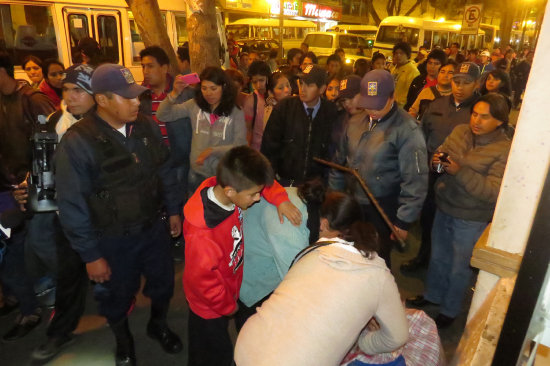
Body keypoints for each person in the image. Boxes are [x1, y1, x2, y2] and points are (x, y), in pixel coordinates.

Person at [55, 64, 183, 366]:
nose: (136, 102)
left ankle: (158, 324)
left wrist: (174, 210)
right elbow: (72, 204)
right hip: (112, 239)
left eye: (137, 95)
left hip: (153, 229)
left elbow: (164, 170)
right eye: (127, 98)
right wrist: (90, 255)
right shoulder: (78, 142)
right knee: (115, 296)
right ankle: (124, 342)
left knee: (163, 284)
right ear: (102, 100)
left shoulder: (146, 126)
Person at [234, 192, 409, 366]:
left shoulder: (311, 251)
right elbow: (398, 337)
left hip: (247, 344)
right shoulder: (380, 275)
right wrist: (362, 343)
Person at [183, 145, 301, 366]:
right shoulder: (203, 236)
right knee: (214, 351)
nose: (257, 199)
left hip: (228, 287)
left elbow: (263, 183)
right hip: (210, 306)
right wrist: (229, 306)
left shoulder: (230, 187)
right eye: (252, 195)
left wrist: (280, 199)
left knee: (206, 344)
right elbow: (202, 283)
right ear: (230, 191)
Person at [11, 64, 94, 363]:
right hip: (67, 215)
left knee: (113, 277)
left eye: (78, 91)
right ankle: (61, 330)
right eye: (66, 90)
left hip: (102, 214)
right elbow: (41, 164)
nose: (70, 97)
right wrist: (27, 187)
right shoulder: (55, 122)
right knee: (69, 273)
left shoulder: (107, 124)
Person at [407, 93, 513, 328]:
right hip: (445, 205)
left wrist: (459, 171)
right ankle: (432, 295)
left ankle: (450, 309)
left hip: (471, 217)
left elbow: (493, 191)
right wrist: (436, 162)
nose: (476, 120)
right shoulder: (460, 131)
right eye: (475, 114)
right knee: (438, 257)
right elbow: (440, 157)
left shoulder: (503, 149)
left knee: (460, 267)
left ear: (499, 120)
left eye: (484, 117)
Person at [330, 70, 428, 267]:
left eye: (378, 105)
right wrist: (334, 199)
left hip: (383, 207)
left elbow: (416, 180)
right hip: (353, 202)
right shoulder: (356, 121)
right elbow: (340, 162)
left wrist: (403, 221)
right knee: (350, 254)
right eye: (368, 105)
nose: (372, 111)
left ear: (392, 96)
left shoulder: (407, 130)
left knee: (377, 259)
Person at [401, 62, 480, 272]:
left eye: (466, 82)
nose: (460, 87)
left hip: (460, 179)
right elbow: (421, 136)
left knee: (450, 229)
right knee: (428, 219)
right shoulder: (437, 105)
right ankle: (423, 258)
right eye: (457, 81)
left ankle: (445, 268)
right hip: (432, 173)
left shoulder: (480, 110)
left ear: (476, 84)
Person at [0, 51, 55, 343]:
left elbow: (49, 143)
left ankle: (31, 307)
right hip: (6, 184)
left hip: (25, 188)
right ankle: (15, 299)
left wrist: (31, 181)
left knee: (14, 249)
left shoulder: (32, 100)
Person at [157, 66, 247, 193]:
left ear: (224, 87)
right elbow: (162, 115)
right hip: (197, 174)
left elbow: (241, 146)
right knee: (195, 211)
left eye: (213, 88)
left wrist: (213, 151)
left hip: (223, 176)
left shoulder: (235, 111)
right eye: (204, 88)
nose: (208, 93)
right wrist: (174, 94)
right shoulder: (194, 105)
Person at [261, 65, 338, 187]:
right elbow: (269, 147)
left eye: (310, 85)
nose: (303, 89)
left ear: (322, 89)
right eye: (301, 83)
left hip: (316, 185)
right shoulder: (284, 108)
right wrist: (271, 179)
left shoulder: (331, 112)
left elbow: (333, 152)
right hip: (285, 181)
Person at [243, 61, 271, 149]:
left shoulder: (277, 96)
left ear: (268, 78)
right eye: (255, 82)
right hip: (257, 150)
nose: (258, 85)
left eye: (261, 80)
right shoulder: (251, 101)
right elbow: (248, 130)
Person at [390, 42, 420, 108]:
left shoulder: (413, 71)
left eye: (401, 53)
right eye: (396, 53)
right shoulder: (394, 68)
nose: (398, 55)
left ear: (407, 55)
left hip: (402, 108)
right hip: (391, 105)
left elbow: (412, 94)